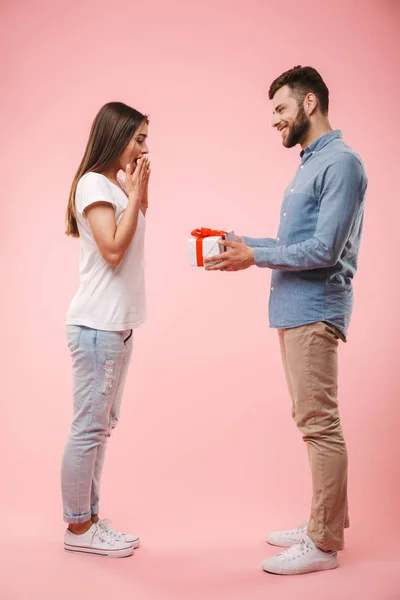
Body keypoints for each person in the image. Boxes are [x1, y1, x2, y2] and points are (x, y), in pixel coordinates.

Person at [204, 66, 367, 575]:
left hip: (316, 310)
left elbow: (324, 250)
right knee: (311, 423)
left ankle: (322, 543)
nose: (275, 120)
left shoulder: (341, 163)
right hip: (295, 311)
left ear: (310, 103)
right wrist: (247, 245)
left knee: (321, 425)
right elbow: (299, 242)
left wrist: (255, 257)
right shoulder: (310, 163)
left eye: (280, 108)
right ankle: (321, 521)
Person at [62, 102, 150, 558]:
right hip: (97, 326)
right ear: (115, 138)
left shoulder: (113, 185)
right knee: (89, 428)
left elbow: (133, 226)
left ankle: (90, 519)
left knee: (101, 426)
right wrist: (133, 195)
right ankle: (78, 529)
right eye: (138, 139)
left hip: (115, 327)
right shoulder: (94, 184)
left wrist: (137, 190)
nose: (144, 148)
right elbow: (114, 250)